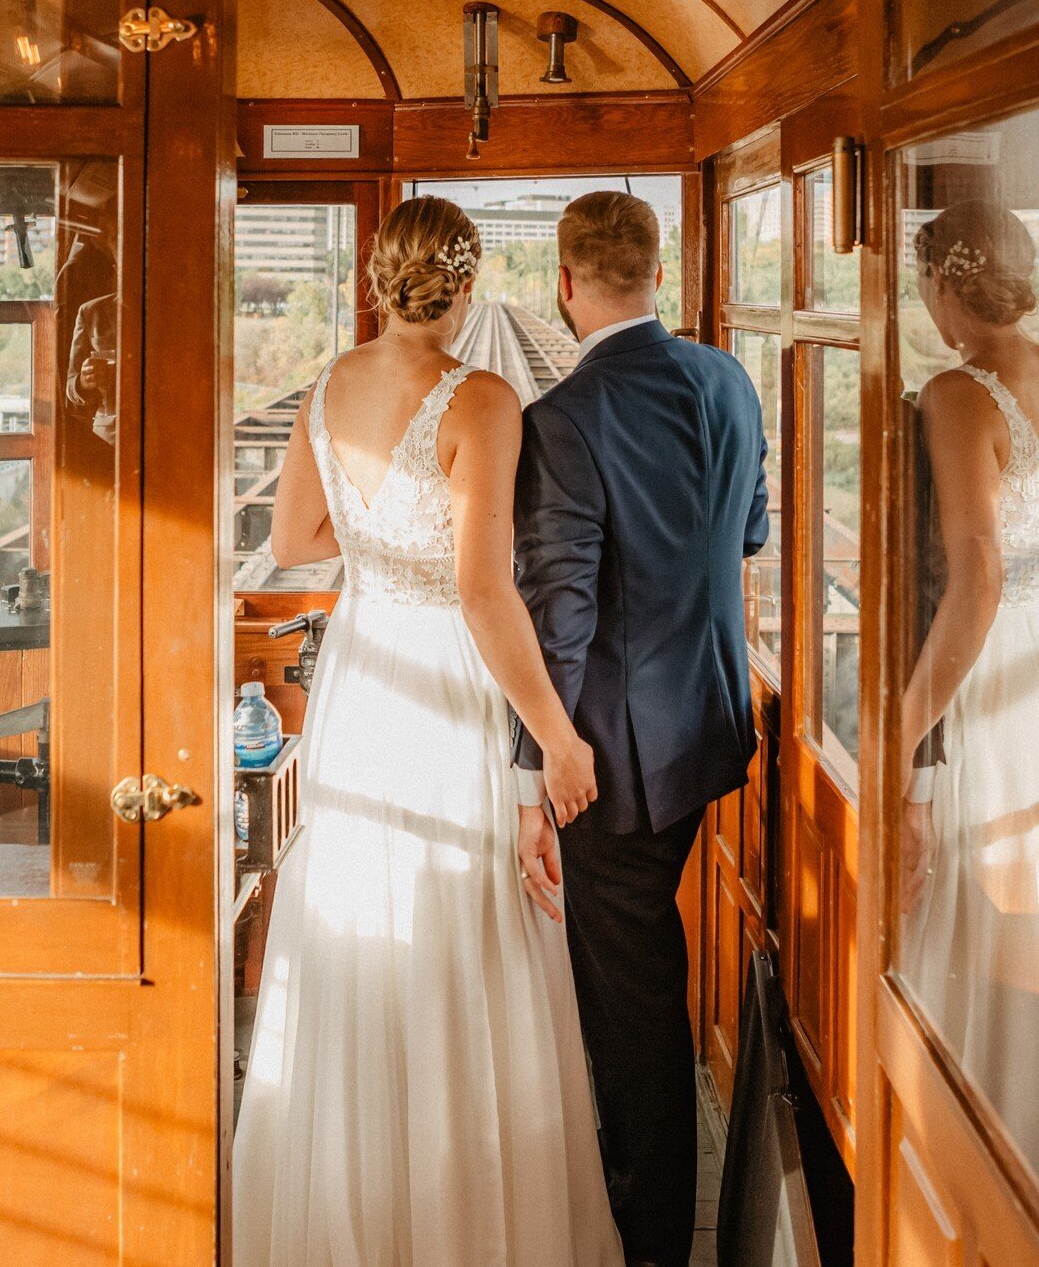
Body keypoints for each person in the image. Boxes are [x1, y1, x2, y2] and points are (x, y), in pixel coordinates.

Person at [233, 195, 623, 1267]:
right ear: (466, 282)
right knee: (467, 923)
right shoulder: (481, 399)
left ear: (375, 275)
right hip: (447, 681)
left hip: (363, 675)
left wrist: (375, 549)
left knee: (365, 911)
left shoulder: (328, 386)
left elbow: (295, 536)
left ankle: (360, 1217)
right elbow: (486, 592)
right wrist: (555, 735)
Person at [513, 191, 770, 1267]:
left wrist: (536, 771)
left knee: (630, 1011)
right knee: (645, 977)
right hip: (706, 725)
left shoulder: (564, 417)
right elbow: (747, 528)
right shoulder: (725, 378)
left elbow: (560, 612)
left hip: (610, 761)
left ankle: (652, 1238)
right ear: (654, 272)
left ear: (565, 284)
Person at [898, 200, 1039, 1260]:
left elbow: (973, 576)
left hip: (984, 691)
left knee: (970, 936)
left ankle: (960, 1213)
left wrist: (902, 725)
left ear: (945, 284)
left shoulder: (952, 392)